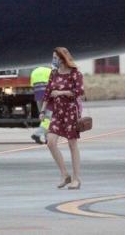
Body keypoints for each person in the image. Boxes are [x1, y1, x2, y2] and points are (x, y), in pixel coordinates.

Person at [39, 48, 84, 190]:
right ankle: (65, 174)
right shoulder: (53, 73)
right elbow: (47, 92)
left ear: (63, 58)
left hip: (70, 111)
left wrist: (61, 92)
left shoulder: (75, 73)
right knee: (51, 142)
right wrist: (43, 110)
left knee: (72, 144)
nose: (53, 60)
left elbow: (79, 91)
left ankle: (76, 178)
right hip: (57, 112)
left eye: (55, 57)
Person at [30, 66, 53, 144]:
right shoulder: (49, 71)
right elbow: (54, 83)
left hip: (38, 96)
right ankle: (37, 134)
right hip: (48, 96)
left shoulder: (34, 71)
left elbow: (32, 85)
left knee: (44, 117)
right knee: (49, 117)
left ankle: (47, 138)